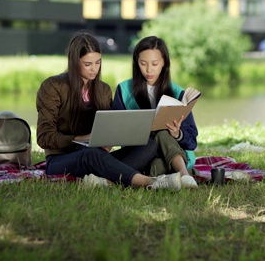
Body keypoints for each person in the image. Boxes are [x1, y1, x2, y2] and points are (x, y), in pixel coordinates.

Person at [36, 32, 183, 190]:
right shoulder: (52, 86)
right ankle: (150, 182)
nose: (94, 69)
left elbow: (109, 125)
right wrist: (82, 138)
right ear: (74, 62)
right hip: (61, 159)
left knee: (149, 145)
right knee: (90, 154)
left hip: (99, 156)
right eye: (87, 64)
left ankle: (106, 181)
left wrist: (110, 138)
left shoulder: (103, 89)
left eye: (98, 62)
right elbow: (44, 137)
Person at [112, 36, 199, 188]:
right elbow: (116, 132)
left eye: (155, 64)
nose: (149, 70)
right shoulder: (124, 90)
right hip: (142, 154)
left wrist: (178, 134)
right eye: (143, 63)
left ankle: (183, 174)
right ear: (136, 62)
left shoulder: (177, 93)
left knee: (163, 134)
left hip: (174, 152)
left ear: (164, 62)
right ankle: (182, 176)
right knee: (157, 160)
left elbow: (192, 141)